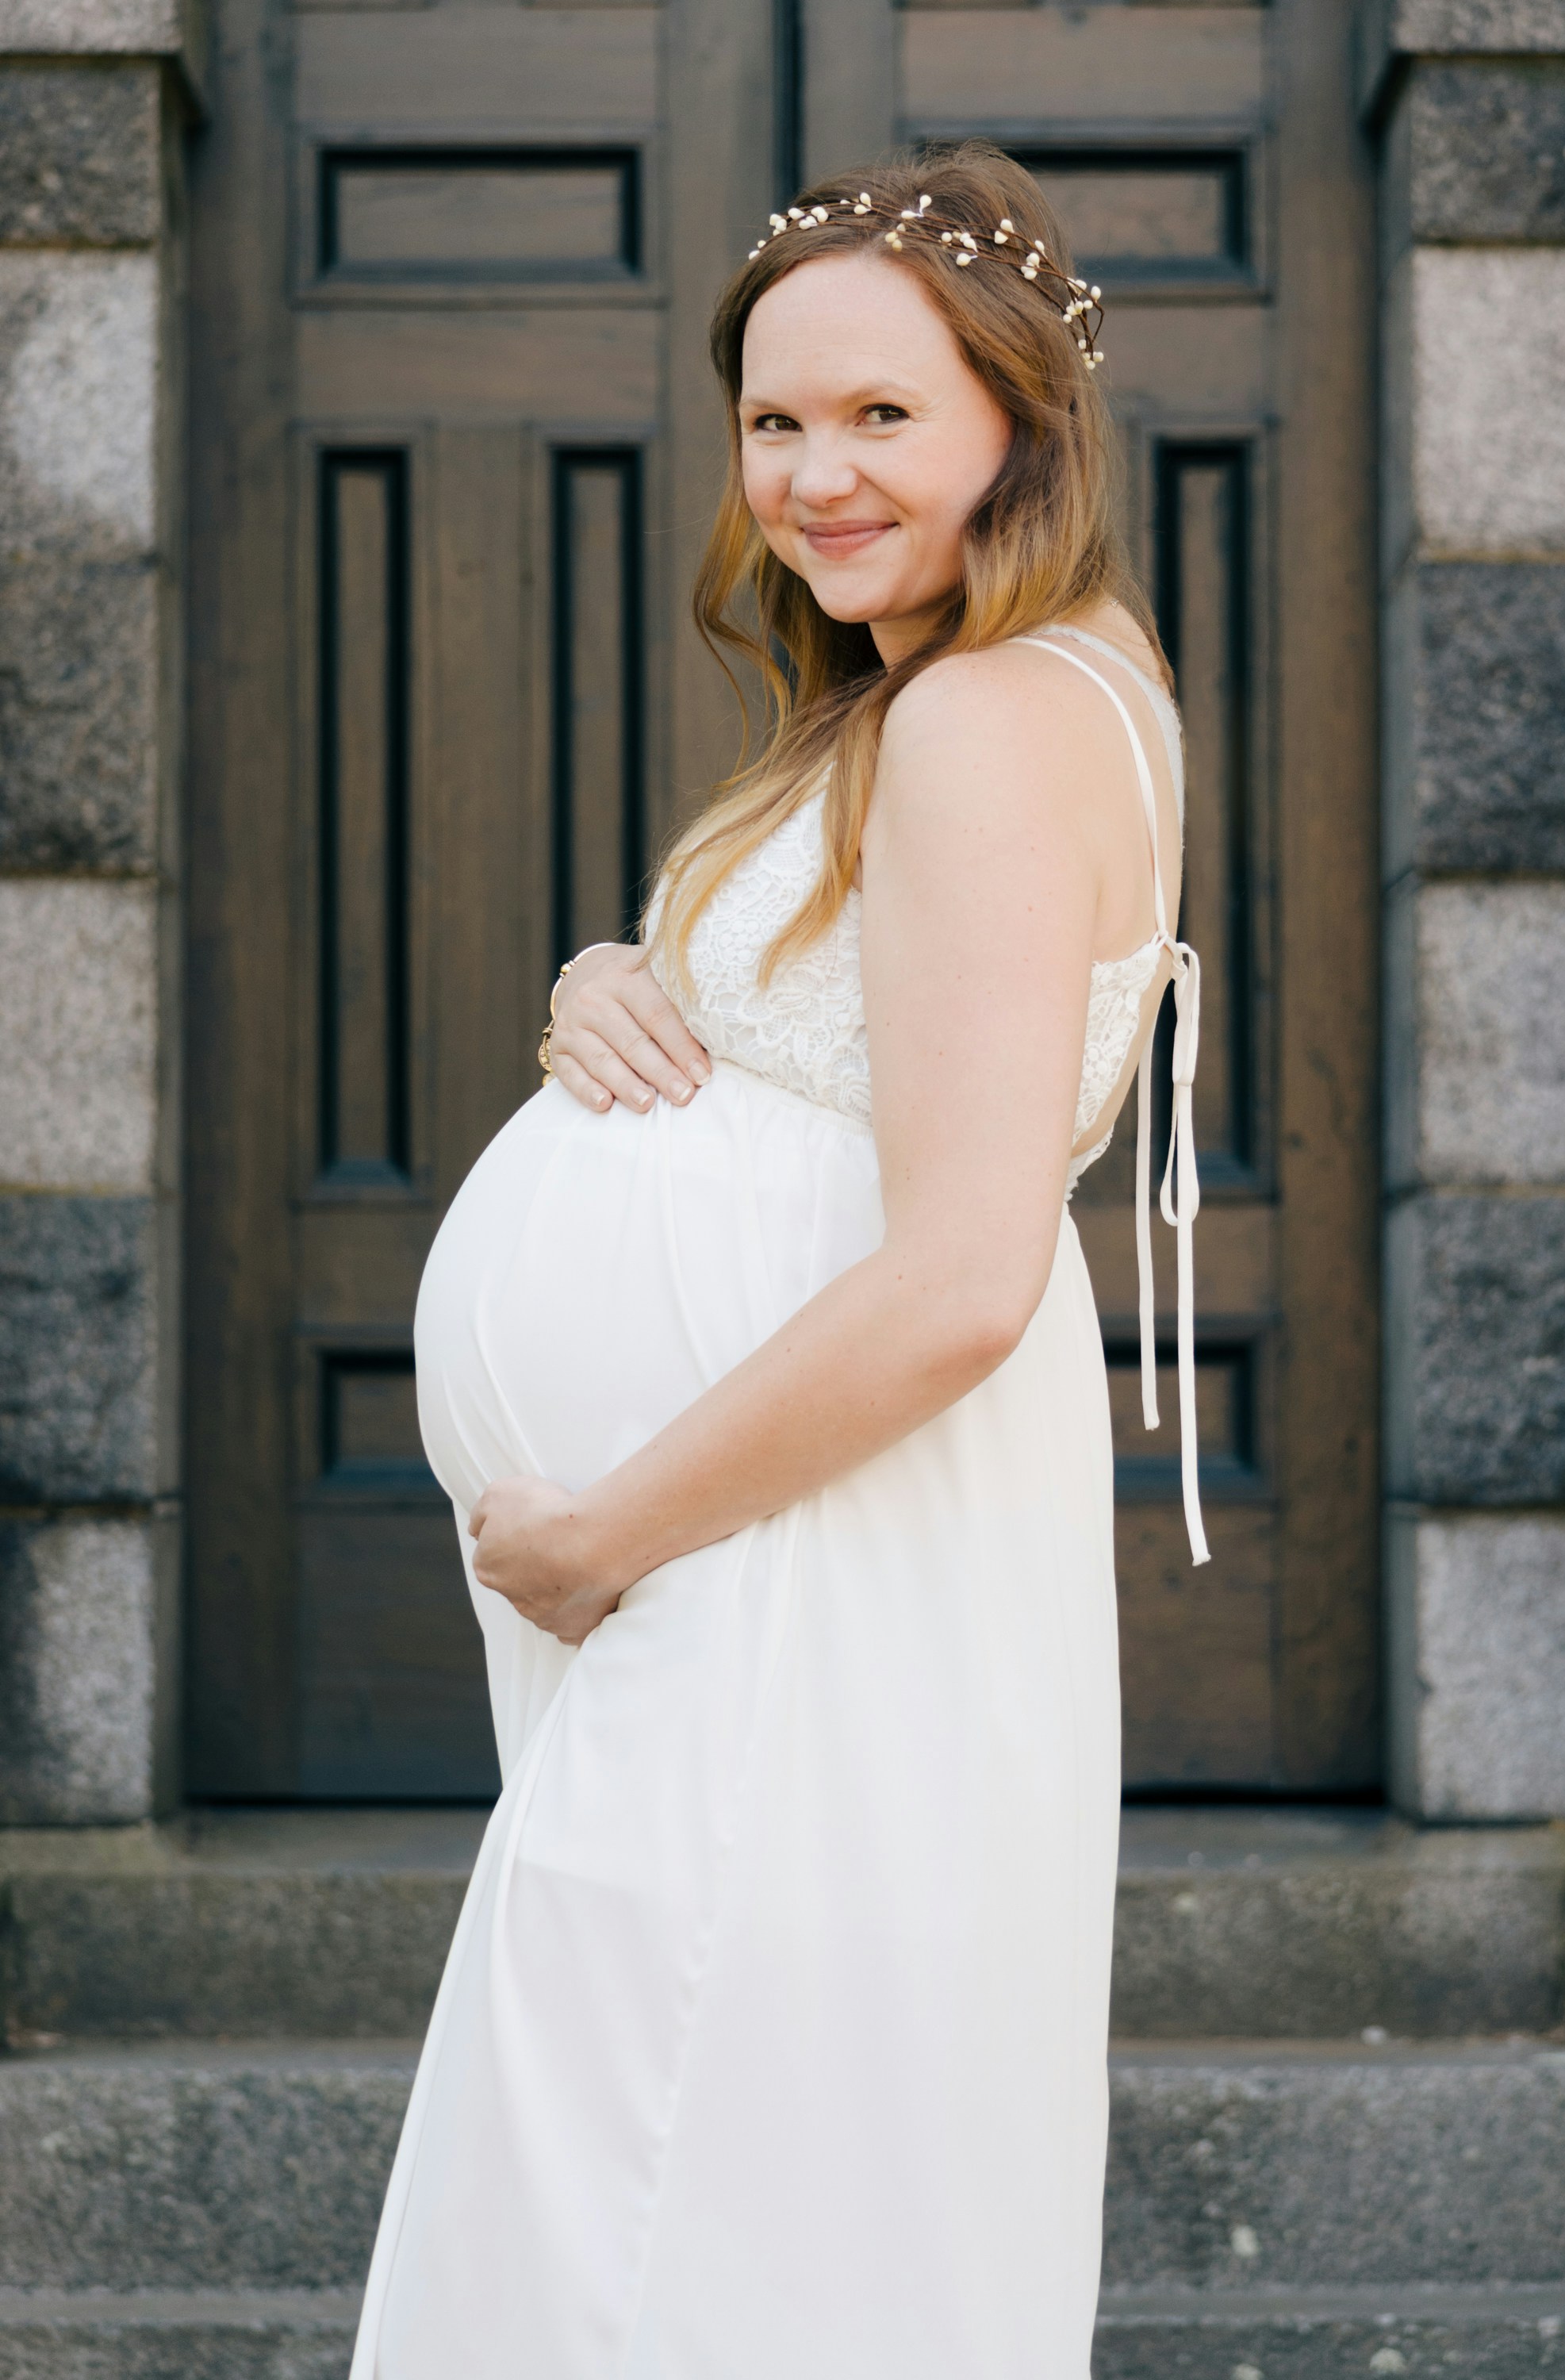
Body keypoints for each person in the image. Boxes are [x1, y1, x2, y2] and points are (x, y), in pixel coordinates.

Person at [350, 140, 1206, 2380]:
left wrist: (610, 1528)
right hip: (758, 1560)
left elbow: (953, 1274)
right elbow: (836, 1041)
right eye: (773, 421)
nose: (813, 477)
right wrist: (610, 986)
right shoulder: (965, 694)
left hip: (773, 1558)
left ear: (1021, 418)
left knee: (677, 2176)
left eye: (883, 418)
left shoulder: (988, 716)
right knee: (715, 2160)